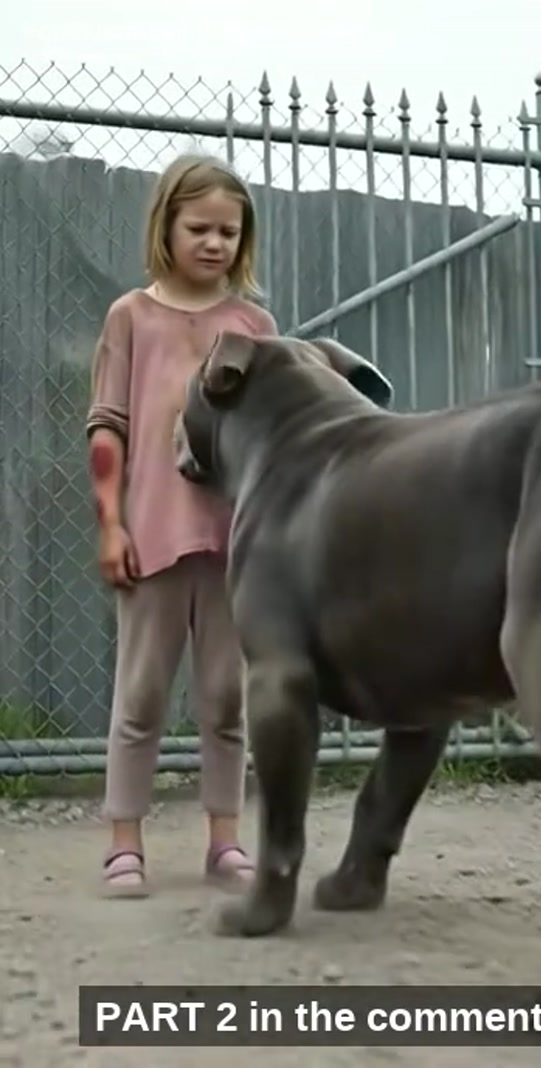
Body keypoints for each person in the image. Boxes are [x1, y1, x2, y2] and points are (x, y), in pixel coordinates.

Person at [86, 153, 278, 898]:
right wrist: (112, 525)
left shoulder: (253, 326)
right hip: (154, 541)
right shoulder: (131, 318)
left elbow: (270, 435)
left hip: (234, 545)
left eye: (229, 232)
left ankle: (225, 841)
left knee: (227, 699)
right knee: (139, 696)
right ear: (165, 225)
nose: (214, 243)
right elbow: (108, 428)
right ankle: (124, 842)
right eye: (198, 227)